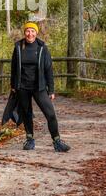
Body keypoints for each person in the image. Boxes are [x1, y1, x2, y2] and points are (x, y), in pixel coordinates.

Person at [10, 21, 70, 152]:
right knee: (26, 113)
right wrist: (13, 85)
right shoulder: (18, 47)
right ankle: (30, 140)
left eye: (32, 31)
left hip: (39, 87)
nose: (30, 34)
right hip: (22, 87)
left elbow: (48, 69)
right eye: (27, 31)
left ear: (36, 33)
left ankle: (57, 141)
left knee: (50, 114)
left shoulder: (42, 47)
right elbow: (14, 67)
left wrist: (51, 89)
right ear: (24, 32)